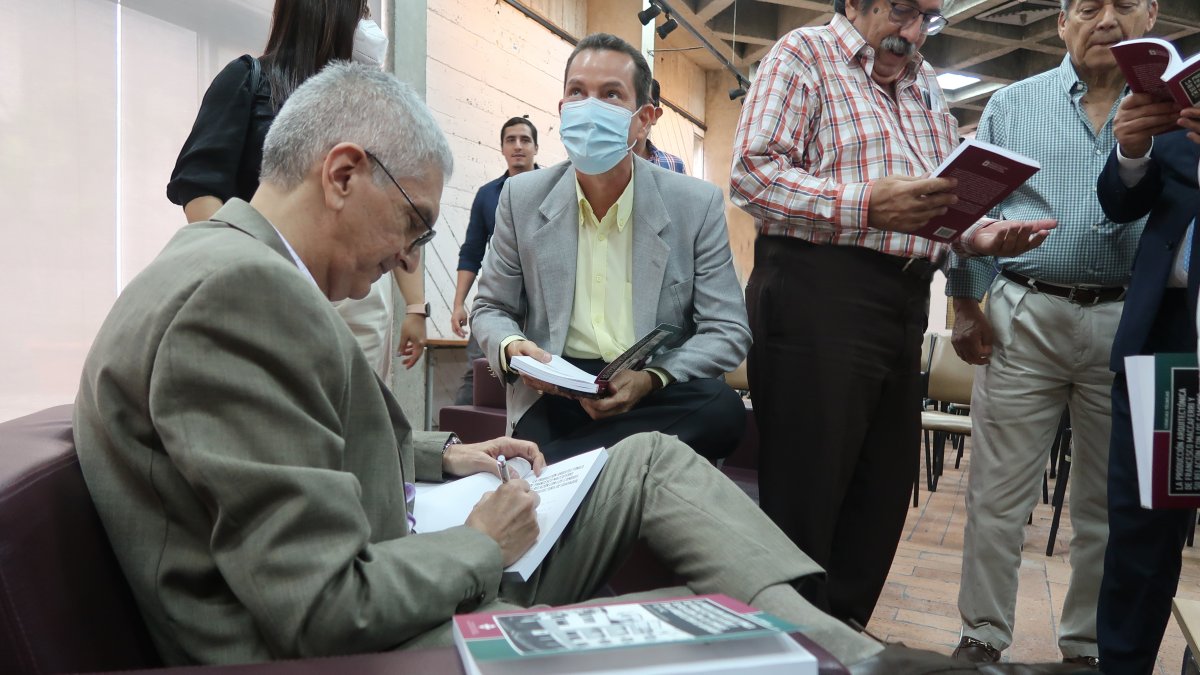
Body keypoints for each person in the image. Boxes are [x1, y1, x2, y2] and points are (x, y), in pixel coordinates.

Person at [72, 61, 891, 670]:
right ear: (344, 173)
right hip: (368, 638)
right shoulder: (240, 297)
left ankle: (832, 641)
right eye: (415, 225)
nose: (410, 255)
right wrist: (478, 544)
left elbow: (290, 451)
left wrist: (441, 454)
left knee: (648, 457)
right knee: (674, 639)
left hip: (395, 564)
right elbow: (320, 608)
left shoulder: (233, 270)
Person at [729, 0, 1056, 630]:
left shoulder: (926, 86)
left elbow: (939, 202)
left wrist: (981, 236)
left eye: (927, 19)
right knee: (809, 489)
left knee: (880, 490)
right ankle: (788, 640)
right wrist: (864, 205)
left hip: (902, 298)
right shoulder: (803, 56)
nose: (912, 34)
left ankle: (842, 635)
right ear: (854, 3)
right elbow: (751, 174)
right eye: (901, 12)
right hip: (817, 291)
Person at [944, 0, 1159, 666]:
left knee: (1103, 501)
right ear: (1062, 22)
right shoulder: (1013, 104)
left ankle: (1086, 646)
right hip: (1025, 313)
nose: (1106, 18)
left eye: (1124, 3)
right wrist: (964, 304)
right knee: (997, 495)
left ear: (1150, 14)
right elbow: (971, 204)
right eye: (1088, 6)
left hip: (1127, 321)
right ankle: (982, 634)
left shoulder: (1173, 109)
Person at [471, 33, 750, 463]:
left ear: (645, 119)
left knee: (723, 410)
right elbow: (490, 308)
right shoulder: (521, 198)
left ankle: (564, 466)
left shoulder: (695, 204)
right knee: (555, 428)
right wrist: (511, 347)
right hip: (555, 389)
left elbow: (727, 330)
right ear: (562, 110)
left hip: (648, 390)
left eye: (611, 95)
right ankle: (621, 463)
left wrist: (654, 378)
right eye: (578, 92)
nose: (590, 108)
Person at [165, 0, 428, 379]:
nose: (370, 27)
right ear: (326, 13)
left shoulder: (368, 110)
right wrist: (248, 272)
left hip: (359, 292)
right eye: (363, 13)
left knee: (358, 415)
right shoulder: (251, 79)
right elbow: (200, 186)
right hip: (271, 281)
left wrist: (416, 305)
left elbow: (399, 214)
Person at [1094, 96, 1199, 673]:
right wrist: (1132, 151)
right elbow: (1121, 201)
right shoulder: (1181, 112)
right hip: (1169, 340)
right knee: (1142, 535)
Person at [450, 116, 540, 405]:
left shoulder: (555, 190)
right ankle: (462, 445)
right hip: (498, 299)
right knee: (477, 374)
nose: (518, 146)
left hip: (543, 305)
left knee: (541, 374)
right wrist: (458, 303)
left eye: (525, 140)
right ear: (502, 147)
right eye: (510, 140)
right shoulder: (487, 195)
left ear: (536, 147)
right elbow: (472, 252)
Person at [633, 79, 686, 173]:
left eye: (641, 100)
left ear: (655, 115)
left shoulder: (674, 167)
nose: (631, 107)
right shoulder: (600, 163)